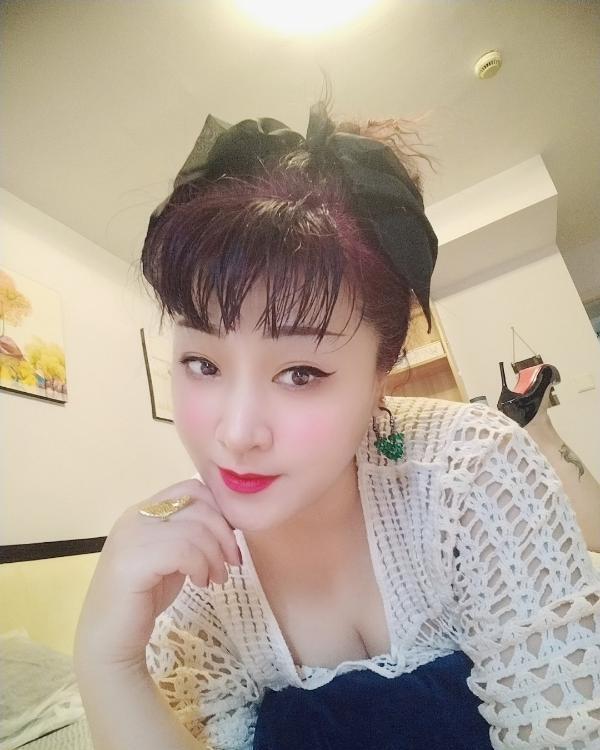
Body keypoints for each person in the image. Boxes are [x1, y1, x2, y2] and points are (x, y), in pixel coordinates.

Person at [73, 91, 600, 750]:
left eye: (300, 373)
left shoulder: (471, 474)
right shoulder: (194, 583)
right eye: (202, 363)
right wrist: (107, 661)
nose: (236, 434)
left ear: (383, 372)